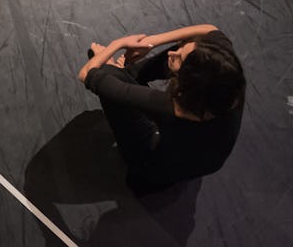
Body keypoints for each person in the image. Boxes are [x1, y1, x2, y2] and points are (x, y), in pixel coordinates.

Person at [78, 24, 245, 193]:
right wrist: (151, 42)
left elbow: (87, 74)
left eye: (178, 58)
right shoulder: (227, 78)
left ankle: (122, 72)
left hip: (153, 169)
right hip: (202, 159)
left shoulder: (169, 108)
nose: (172, 53)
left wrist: (118, 44)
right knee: (191, 52)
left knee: (107, 72)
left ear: (187, 86)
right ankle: (130, 73)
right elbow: (210, 30)